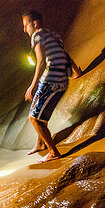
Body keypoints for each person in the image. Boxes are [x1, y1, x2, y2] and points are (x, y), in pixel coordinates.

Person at [22, 10, 82, 163]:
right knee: (41, 114)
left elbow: (41, 61)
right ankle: (41, 143)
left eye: (26, 25)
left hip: (50, 80)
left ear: (35, 23)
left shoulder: (37, 36)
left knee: (33, 118)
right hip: (61, 80)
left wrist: (32, 85)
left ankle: (53, 151)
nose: (25, 29)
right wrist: (75, 72)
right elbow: (65, 53)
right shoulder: (54, 35)